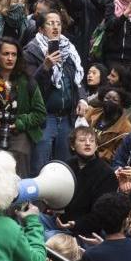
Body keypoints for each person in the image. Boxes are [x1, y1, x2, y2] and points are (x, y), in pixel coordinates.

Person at [0, 37, 46, 175]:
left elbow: (40, 113)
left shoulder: (27, 81)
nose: (10, 58)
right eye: (6, 54)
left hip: (19, 136)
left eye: (14, 54)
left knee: (18, 177)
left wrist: (19, 123)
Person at [24, 9, 82, 173]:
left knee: (64, 166)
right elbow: (29, 87)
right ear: (41, 29)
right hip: (45, 117)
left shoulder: (68, 49)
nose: (56, 27)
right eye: (50, 23)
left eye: (58, 23)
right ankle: (36, 199)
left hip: (66, 117)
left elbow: (77, 80)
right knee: (40, 165)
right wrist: (46, 67)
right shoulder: (31, 51)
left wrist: (82, 99)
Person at [56, 127, 117, 238]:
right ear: (72, 146)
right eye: (82, 140)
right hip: (60, 221)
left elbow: (100, 215)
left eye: (92, 140)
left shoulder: (106, 173)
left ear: (96, 146)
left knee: (49, 235)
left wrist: (75, 224)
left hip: (84, 232)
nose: (88, 143)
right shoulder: (68, 165)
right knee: (34, 218)